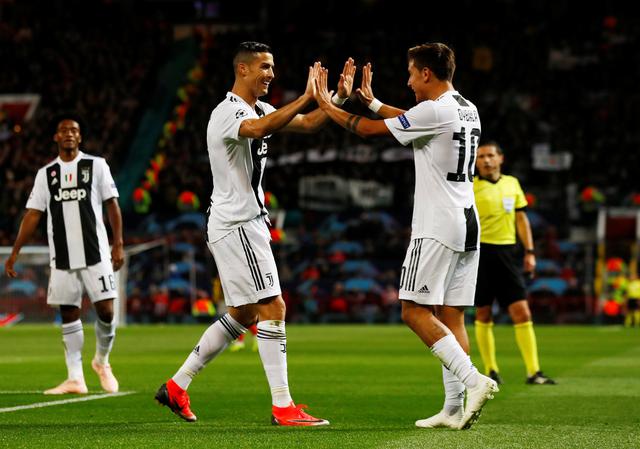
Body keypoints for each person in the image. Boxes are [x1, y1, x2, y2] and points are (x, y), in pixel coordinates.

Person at [155, 42, 356, 425]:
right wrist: (306, 97)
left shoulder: (260, 107)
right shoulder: (226, 112)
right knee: (273, 307)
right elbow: (260, 129)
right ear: (242, 69)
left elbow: (309, 123)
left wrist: (336, 100)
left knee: (245, 313)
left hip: (243, 223)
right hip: (238, 223)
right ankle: (283, 406)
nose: (271, 74)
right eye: (265, 66)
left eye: (273, 66)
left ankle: (177, 386)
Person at [314, 42, 498, 430]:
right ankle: (452, 409)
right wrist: (374, 101)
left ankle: (474, 380)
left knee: (414, 310)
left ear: (427, 73)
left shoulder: (434, 110)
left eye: (412, 72)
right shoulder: (465, 107)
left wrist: (327, 105)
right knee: (452, 316)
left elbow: (367, 131)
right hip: (468, 222)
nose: (409, 79)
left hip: (436, 224)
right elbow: (416, 119)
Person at [4, 114, 123, 395]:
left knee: (106, 311)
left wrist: (117, 244)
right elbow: (33, 215)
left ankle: (102, 362)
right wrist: (15, 252)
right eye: (63, 130)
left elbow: (112, 206)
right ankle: (75, 378)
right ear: (56, 137)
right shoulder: (46, 175)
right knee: (69, 314)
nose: (69, 133)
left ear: (79, 137)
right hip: (63, 257)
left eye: (74, 130)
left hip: (96, 254)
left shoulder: (97, 165)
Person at [473, 142, 556, 385]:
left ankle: (534, 372)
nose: (486, 160)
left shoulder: (512, 183)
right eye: (481, 157)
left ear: (501, 158)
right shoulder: (469, 187)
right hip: (480, 253)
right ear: (475, 161)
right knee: (484, 311)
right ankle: (491, 370)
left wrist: (530, 252)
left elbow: (521, 219)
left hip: (508, 253)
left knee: (522, 311)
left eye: (490, 155)